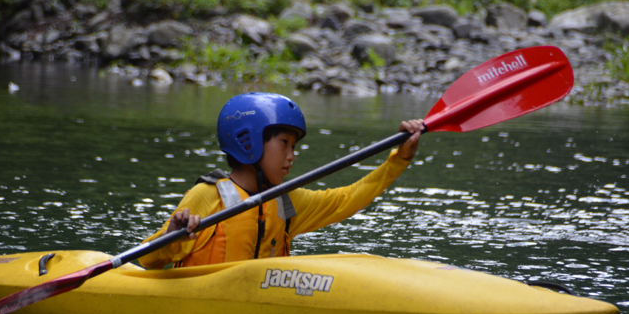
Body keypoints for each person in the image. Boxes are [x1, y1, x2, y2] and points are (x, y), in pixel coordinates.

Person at [138, 92, 424, 269]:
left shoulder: (286, 201)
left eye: (294, 147)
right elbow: (148, 260)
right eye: (284, 143)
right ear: (248, 142)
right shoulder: (207, 195)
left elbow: (347, 199)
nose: (291, 156)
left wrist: (398, 159)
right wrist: (171, 235)